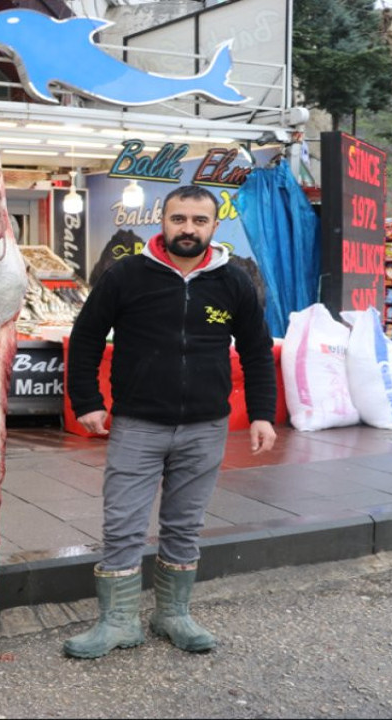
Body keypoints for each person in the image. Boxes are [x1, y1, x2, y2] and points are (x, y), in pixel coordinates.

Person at [63, 185, 277, 658]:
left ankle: (173, 614)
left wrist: (263, 413)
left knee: (184, 526)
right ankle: (118, 622)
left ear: (214, 226)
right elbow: (86, 337)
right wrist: (87, 401)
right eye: (179, 219)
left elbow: (258, 351)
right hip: (138, 424)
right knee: (123, 525)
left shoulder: (234, 281)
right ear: (163, 221)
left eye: (199, 221)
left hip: (206, 427)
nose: (188, 229)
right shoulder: (126, 275)